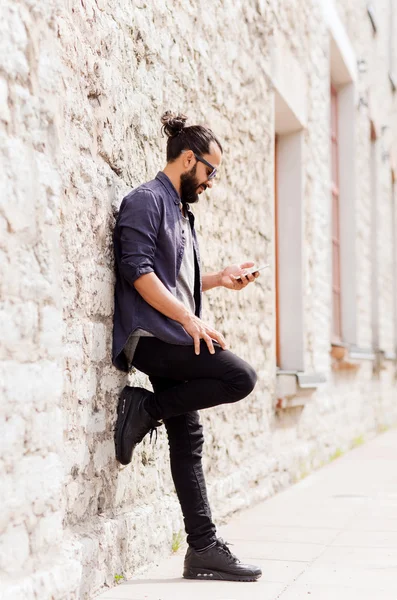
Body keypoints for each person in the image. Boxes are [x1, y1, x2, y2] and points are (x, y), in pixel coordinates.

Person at [112, 111, 262, 582]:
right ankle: (145, 407)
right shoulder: (144, 201)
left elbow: (176, 283)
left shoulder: (181, 213)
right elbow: (137, 272)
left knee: (188, 438)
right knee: (240, 377)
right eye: (211, 171)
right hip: (151, 338)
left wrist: (219, 279)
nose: (212, 182)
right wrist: (190, 319)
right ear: (189, 159)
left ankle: (201, 549)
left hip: (174, 332)